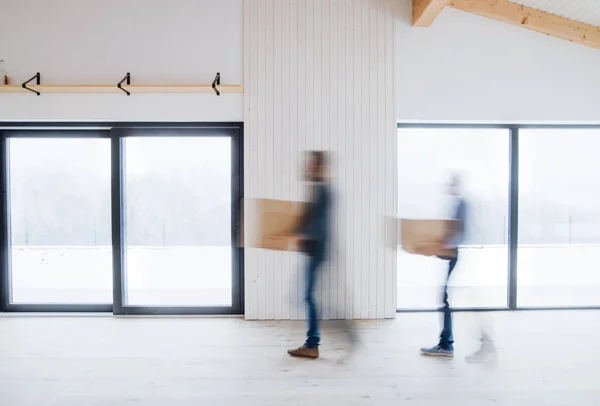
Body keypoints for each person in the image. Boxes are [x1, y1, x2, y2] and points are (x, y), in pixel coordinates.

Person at [286, 151, 331, 359]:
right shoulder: (318, 189)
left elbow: (320, 225)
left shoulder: (323, 190)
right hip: (315, 250)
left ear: (319, 165)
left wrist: (302, 234)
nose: (307, 167)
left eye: (311, 164)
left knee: (309, 296)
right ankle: (313, 342)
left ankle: (313, 344)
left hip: (317, 250)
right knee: (309, 296)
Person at [420, 174, 467, 358]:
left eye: (451, 184)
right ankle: (446, 343)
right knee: (445, 297)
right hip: (452, 255)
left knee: (445, 297)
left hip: (455, 255)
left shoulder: (461, 205)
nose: (448, 187)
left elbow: (461, 231)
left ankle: (446, 345)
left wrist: (446, 245)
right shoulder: (458, 204)